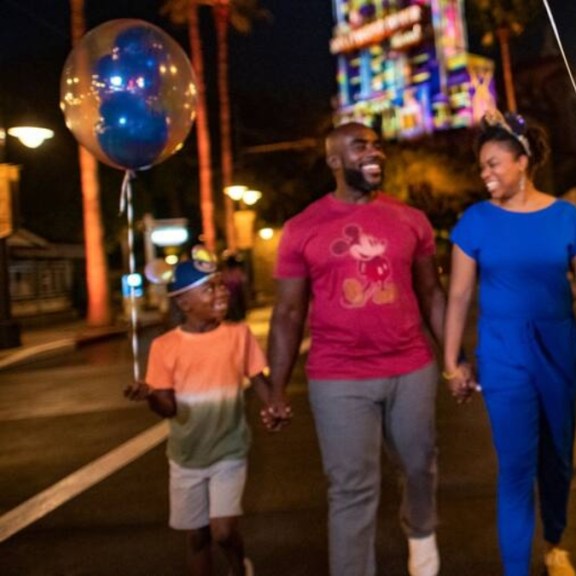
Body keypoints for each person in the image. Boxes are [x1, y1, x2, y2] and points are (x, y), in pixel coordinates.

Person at [266, 122, 459, 576]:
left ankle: (421, 529)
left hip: (410, 366)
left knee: (418, 464)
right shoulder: (301, 228)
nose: (374, 153)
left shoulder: (410, 219)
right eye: (360, 147)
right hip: (338, 377)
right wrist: (275, 389)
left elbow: (432, 293)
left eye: (376, 145)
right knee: (351, 488)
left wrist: (457, 359)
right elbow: (288, 315)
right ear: (334, 161)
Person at [443, 110, 576, 576]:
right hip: (503, 354)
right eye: (481, 166)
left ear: (522, 160)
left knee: (558, 458)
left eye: (494, 163)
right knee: (516, 467)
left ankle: (555, 541)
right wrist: (452, 362)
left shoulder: (568, 217)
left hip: (559, 350)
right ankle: (516, 568)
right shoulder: (475, 221)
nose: (485, 174)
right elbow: (460, 294)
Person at [124, 258, 285, 576]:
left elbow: (260, 381)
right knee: (197, 537)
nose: (221, 292)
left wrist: (275, 406)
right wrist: (150, 396)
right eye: (209, 288)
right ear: (184, 302)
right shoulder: (164, 346)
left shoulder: (238, 335)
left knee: (222, 532)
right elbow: (168, 409)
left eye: (221, 284)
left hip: (230, 449)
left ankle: (239, 567)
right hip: (186, 457)